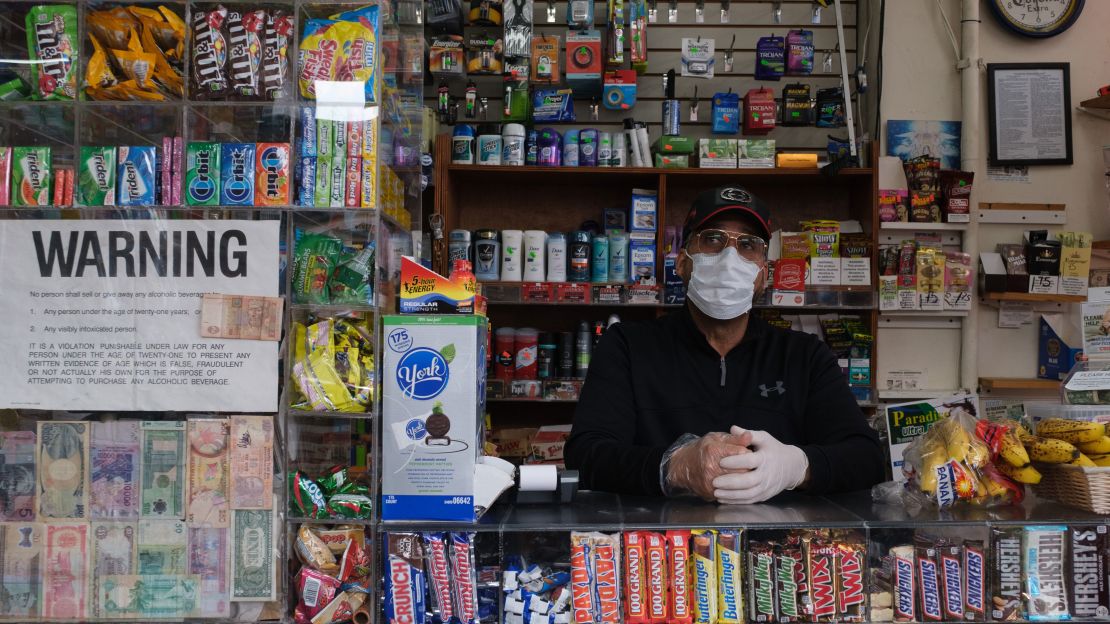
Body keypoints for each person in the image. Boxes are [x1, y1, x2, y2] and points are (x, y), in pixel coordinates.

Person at [564, 185, 886, 504]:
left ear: (763, 275)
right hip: (656, 549)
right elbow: (585, 455)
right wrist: (673, 468)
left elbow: (867, 458)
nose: (729, 256)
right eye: (713, 239)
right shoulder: (627, 347)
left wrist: (797, 467)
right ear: (681, 262)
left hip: (774, 549)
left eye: (748, 244)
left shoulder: (804, 356)